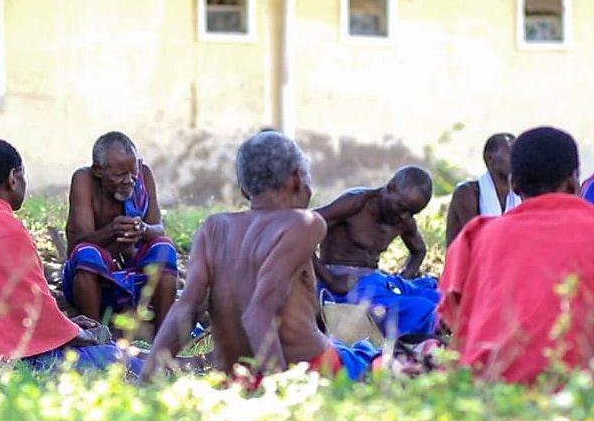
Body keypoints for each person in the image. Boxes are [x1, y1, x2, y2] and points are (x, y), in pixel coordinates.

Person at [143, 132, 379, 381]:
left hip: (236, 376)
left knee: (355, 350)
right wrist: (276, 388)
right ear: (297, 179)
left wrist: (147, 374)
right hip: (306, 368)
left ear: (244, 189)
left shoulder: (214, 228)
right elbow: (258, 312)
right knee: (382, 360)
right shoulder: (304, 223)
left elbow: (186, 307)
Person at [0, 139, 139, 374]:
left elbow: (15, 309)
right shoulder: (4, 227)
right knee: (114, 357)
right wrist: (81, 334)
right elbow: (30, 319)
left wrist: (65, 325)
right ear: (13, 178)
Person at [439, 127, 594, 383]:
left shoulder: (477, 236)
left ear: (514, 185)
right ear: (573, 182)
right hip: (581, 391)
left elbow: (452, 322)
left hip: (491, 391)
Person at [63, 132, 177, 333]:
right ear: (98, 170)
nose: (129, 180)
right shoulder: (84, 180)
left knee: (164, 248)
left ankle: (163, 335)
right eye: (119, 175)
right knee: (86, 254)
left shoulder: (144, 175)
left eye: (132, 172)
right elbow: (76, 245)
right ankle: (95, 333)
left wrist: (142, 229)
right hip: (97, 280)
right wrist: (112, 230)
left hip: (137, 277)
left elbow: (158, 228)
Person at [313, 167, 440, 337]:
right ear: (391, 187)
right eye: (402, 207)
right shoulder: (356, 203)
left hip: (377, 281)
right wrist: (329, 279)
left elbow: (419, 250)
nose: (405, 216)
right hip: (344, 284)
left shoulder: (404, 219)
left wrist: (403, 278)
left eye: (412, 212)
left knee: (441, 296)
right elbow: (300, 229)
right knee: (423, 309)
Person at [445, 133, 520, 246]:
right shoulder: (467, 192)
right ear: (490, 159)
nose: (516, 159)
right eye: (510, 153)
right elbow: (478, 241)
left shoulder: (519, 193)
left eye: (518, 154)